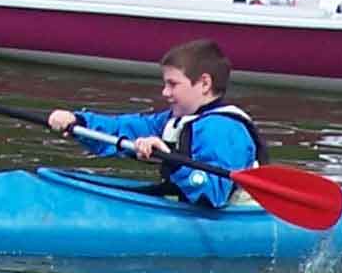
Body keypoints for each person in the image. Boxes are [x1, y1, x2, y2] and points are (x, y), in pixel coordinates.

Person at [45, 38, 264, 209]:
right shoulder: (173, 120)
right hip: (184, 206)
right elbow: (123, 128)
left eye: (172, 84)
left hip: (228, 217)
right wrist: (78, 122)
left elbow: (213, 195)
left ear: (204, 84)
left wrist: (171, 159)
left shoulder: (223, 130)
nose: (165, 92)